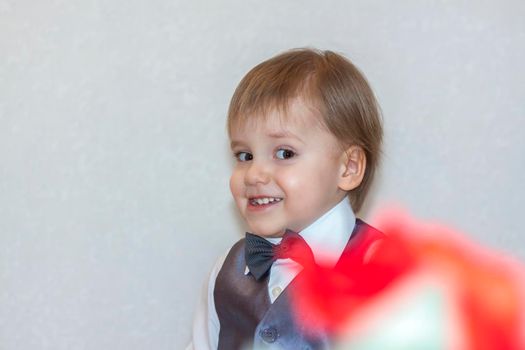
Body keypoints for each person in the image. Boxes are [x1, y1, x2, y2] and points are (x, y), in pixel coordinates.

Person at [189, 48, 384, 349]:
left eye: (284, 153)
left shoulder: (384, 271)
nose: (254, 173)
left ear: (348, 167)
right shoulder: (226, 271)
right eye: (245, 155)